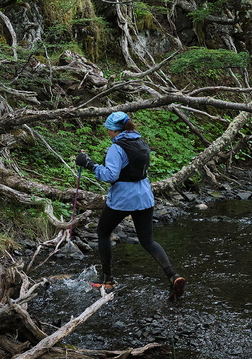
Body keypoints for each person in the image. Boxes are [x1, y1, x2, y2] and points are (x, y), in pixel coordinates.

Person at [75, 111, 185, 301]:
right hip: (144, 197)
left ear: (114, 130)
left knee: (103, 232)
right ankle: (173, 276)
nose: (108, 133)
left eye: (108, 130)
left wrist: (89, 164)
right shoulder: (141, 142)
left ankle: (108, 280)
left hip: (123, 199)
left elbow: (111, 175)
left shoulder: (116, 148)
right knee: (148, 240)